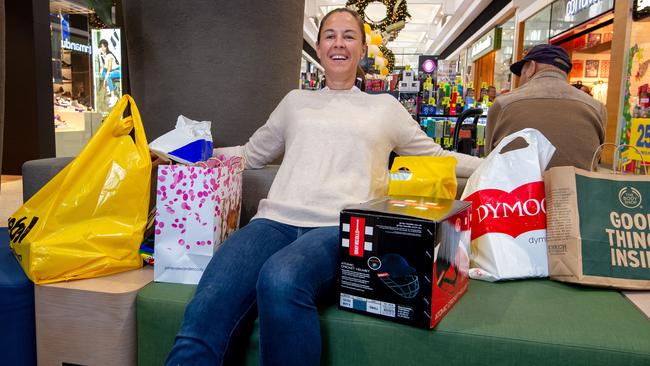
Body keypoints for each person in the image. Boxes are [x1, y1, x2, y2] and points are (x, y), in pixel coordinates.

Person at [164, 8, 481, 366]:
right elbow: (249, 154)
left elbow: (437, 156)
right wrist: (182, 154)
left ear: (362, 49)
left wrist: (492, 163)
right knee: (210, 299)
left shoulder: (385, 108)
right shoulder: (295, 102)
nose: (339, 43)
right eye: (330, 35)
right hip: (273, 222)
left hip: (341, 228)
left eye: (349, 36)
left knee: (280, 278)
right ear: (318, 47)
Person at [485, 44, 606, 170]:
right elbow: (596, 157)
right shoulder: (596, 108)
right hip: (578, 188)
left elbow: (490, 160)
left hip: (515, 188)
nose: (520, 80)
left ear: (532, 67)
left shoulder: (503, 103)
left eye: (522, 73)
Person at [97, 39, 121, 107]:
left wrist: (105, 80)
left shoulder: (109, 55)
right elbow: (104, 67)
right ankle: (114, 89)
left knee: (108, 76)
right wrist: (103, 76)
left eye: (103, 47)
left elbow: (109, 67)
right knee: (102, 76)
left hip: (118, 71)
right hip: (112, 71)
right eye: (101, 47)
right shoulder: (103, 55)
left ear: (106, 47)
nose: (102, 48)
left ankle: (113, 96)